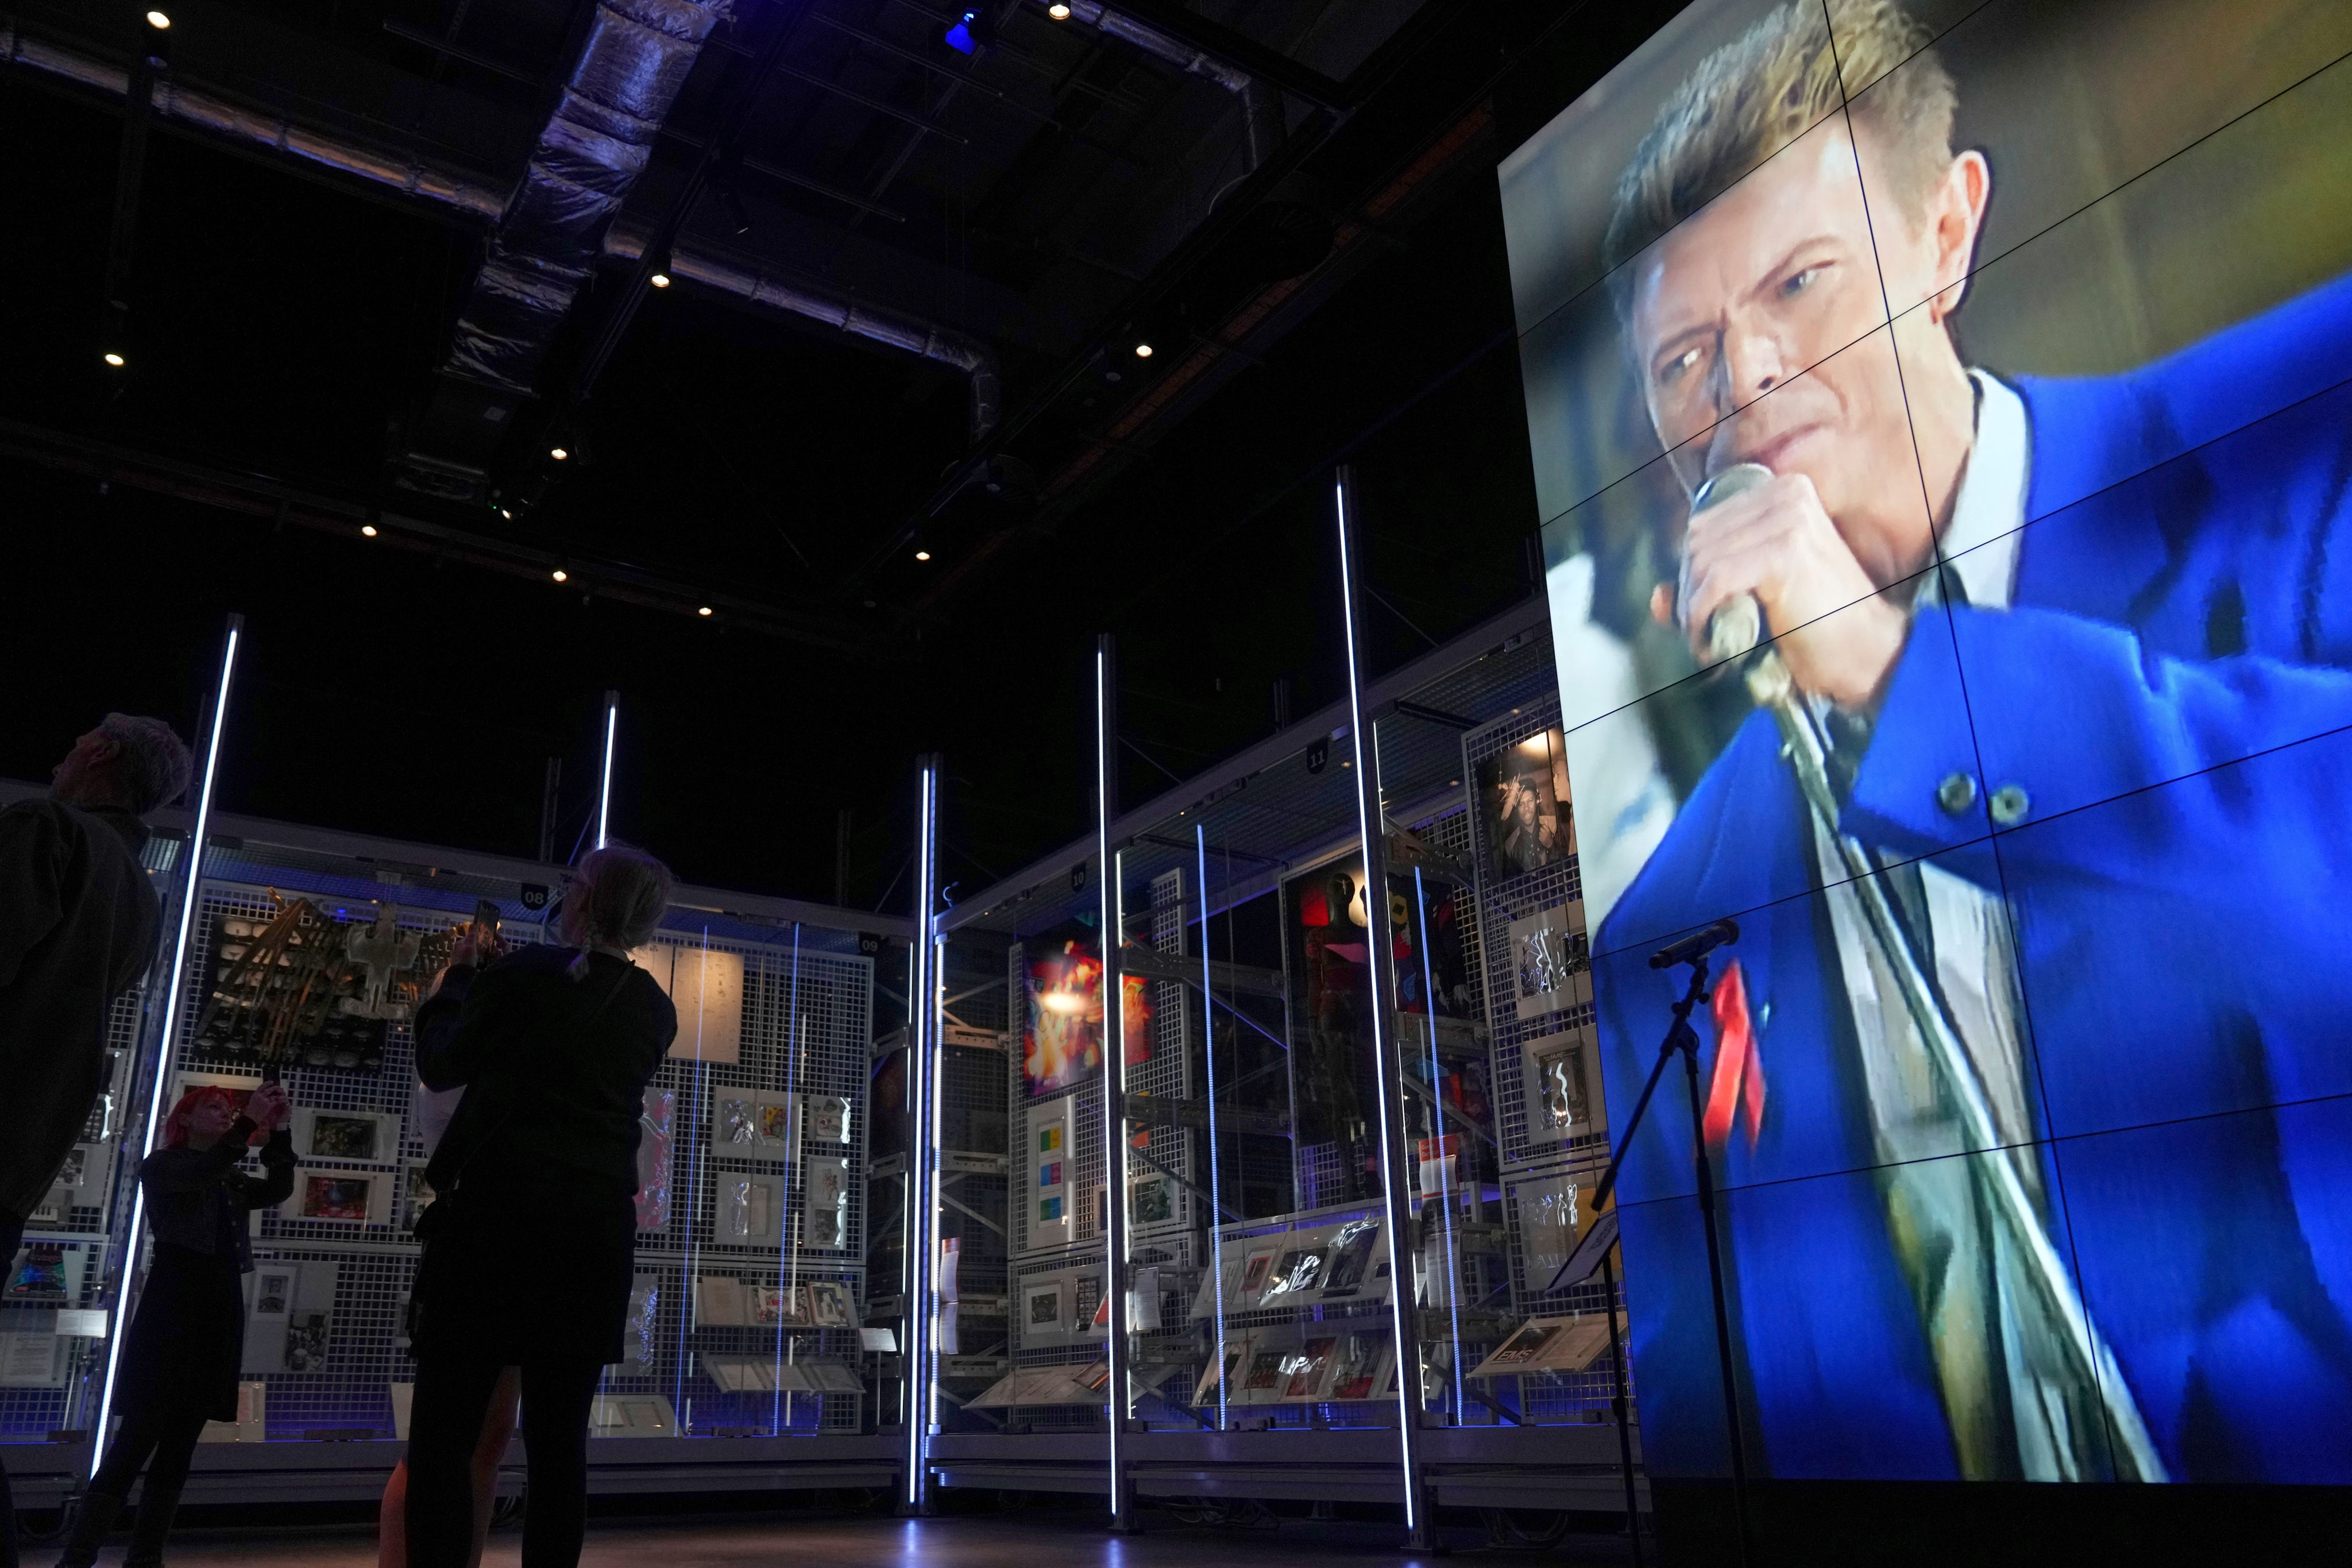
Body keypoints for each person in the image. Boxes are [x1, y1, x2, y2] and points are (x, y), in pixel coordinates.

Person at [1589, 0, 2352, 1485]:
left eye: (1798, 285)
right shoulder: (1672, 917)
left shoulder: (2280, 485)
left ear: (1943, 236)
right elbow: (1702, 1399)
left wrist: (1890, 670)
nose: (1736, 381)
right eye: (1680, 361)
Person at [403, 845, 677, 1568]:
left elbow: (443, 1063)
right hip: (591, 1239)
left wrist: (456, 980)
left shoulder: (518, 976)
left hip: (493, 1224)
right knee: (560, 1447)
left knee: (444, 1439)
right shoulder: (655, 1008)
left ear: (581, 899)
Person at [1, 716, 189, 1568]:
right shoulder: (141, 894)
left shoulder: (44, 832)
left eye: (75, 740)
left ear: (103, 754)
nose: (61, 750)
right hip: (20, 1151)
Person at [57, 1083, 293, 1568]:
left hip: (217, 1305)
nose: (226, 1114)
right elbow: (205, 1170)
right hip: (175, 1307)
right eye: (214, 1107)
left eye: (229, 1110)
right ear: (182, 1120)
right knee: (138, 1436)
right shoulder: (164, 1165)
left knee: (182, 1441)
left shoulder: (225, 1177)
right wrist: (251, 1121)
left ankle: (146, 1556)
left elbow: (277, 1188)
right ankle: (78, 1557)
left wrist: (282, 1129)